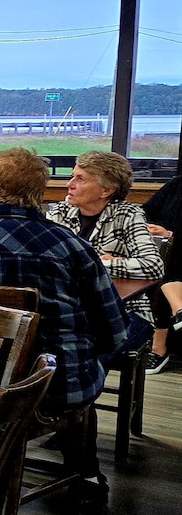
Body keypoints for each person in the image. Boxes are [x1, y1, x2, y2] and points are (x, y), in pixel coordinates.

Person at [0, 148, 129, 507]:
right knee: (80, 365)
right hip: (54, 388)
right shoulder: (73, 246)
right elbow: (113, 332)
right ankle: (87, 476)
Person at [46, 151, 163, 371]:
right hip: (73, 311)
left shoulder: (128, 214)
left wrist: (101, 263)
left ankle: (81, 403)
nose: (70, 184)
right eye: (72, 176)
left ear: (106, 190)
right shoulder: (59, 213)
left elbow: (154, 266)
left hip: (126, 311)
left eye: (80, 179)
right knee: (45, 354)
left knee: (87, 360)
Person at [141, 174, 182, 371]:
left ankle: (159, 348)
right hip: (167, 252)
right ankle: (180, 311)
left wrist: (171, 235)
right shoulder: (176, 184)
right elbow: (145, 212)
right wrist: (150, 228)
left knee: (164, 266)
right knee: (161, 262)